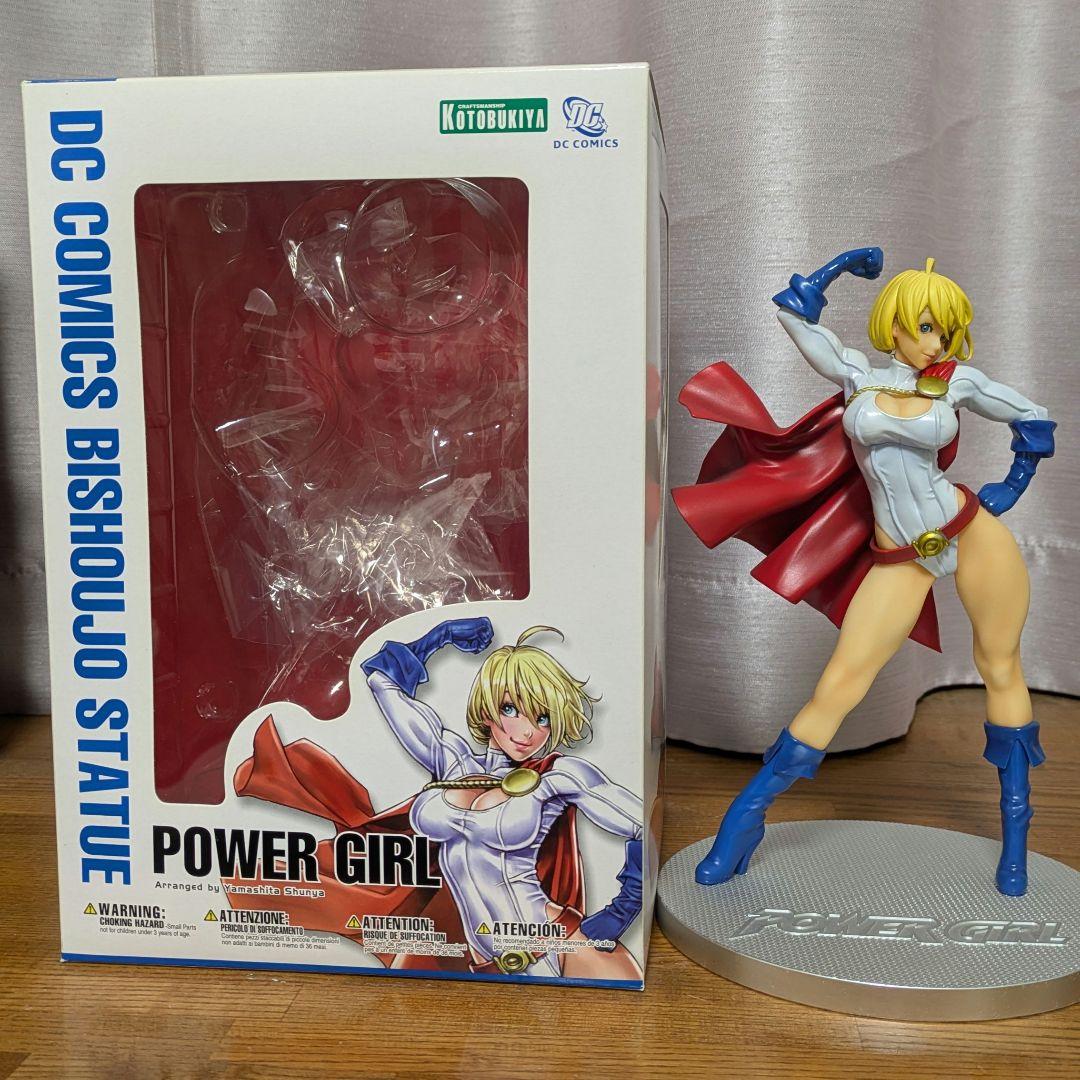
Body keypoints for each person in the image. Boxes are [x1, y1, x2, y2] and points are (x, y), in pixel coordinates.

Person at [673, 248, 1056, 896]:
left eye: (945, 330)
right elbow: (795, 318)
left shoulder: (957, 383)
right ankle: (746, 817)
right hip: (901, 556)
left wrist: (1011, 486)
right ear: (894, 325)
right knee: (841, 682)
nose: (936, 341)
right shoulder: (858, 375)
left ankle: (1016, 841)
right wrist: (841, 268)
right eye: (926, 326)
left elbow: (1034, 418)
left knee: (1000, 668)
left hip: (969, 533)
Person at [359, 617, 644, 977]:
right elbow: (381, 681)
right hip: (486, 967)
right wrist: (438, 637)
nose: (526, 732)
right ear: (486, 711)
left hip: (555, 948)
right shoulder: (453, 762)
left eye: (543, 718)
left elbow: (641, 825)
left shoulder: (557, 776)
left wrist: (622, 911)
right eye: (510, 709)